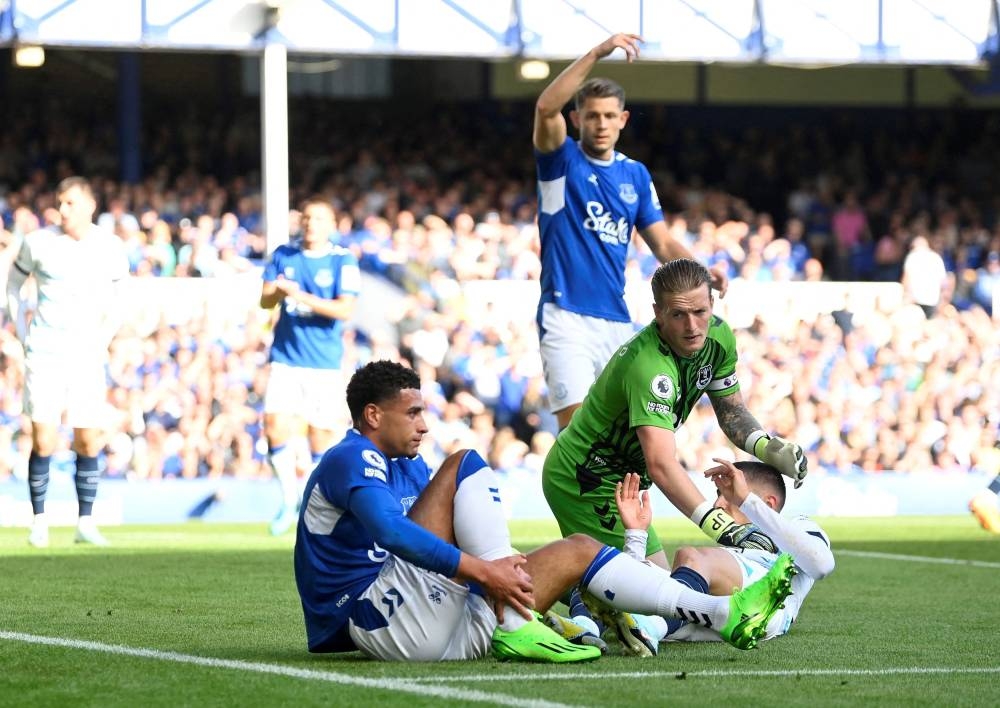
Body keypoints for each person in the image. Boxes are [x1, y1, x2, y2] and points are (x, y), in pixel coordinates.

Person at [292, 360, 796, 662]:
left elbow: (446, 549)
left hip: (433, 623)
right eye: (413, 412)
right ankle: (514, 619)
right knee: (464, 462)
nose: (424, 424)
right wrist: (486, 570)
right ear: (374, 415)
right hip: (374, 619)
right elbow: (393, 534)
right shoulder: (352, 456)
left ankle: (722, 614)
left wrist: (510, 577)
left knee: (581, 550)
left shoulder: (408, 466)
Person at [541, 258, 808, 652]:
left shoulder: (718, 339)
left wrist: (766, 446)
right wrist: (723, 528)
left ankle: (577, 601)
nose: (692, 326)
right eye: (678, 315)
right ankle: (567, 609)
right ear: (657, 314)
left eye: (700, 312)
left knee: (659, 590)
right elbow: (662, 466)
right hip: (585, 476)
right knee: (650, 596)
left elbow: (730, 411)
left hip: (624, 481)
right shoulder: (649, 367)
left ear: (712, 306)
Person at [532, 32, 728, 430]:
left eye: (609, 116)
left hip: (617, 318)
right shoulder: (561, 160)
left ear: (623, 119)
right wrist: (598, 52)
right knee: (577, 432)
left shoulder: (634, 174)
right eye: (591, 115)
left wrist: (699, 273)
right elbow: (545, 105)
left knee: (623, 435)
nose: (600, 124)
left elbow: (661, 242)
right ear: (576, 119)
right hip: (564, 313)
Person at [5, 176, 130, 547]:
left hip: (86, 356)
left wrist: (105, 337)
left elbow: (122, 294)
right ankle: (39, 520)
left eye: (71, 203)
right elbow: (13, 284)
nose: (62, 209)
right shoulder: (39, 242)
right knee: (43, 439)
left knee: (88, 440)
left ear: (91, 205)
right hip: (45, 352)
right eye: (60, 202)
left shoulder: (109, 246)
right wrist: (23, 334)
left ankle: (84, 523)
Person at [616, 463, 833, 644]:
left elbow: (821, 565)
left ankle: (653, 627)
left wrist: (746, 501)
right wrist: (636, 534)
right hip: (719, 618)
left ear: (767, 503)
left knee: (690, 556)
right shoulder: (723, 558)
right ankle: (607, 632)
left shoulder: (801, 526)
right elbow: (634, 588)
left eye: (729, 495)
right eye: (719, 494)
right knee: (612, 568)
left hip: (765, 602)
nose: (717, 504)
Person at [260, 197, 361, 535]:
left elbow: (345, 310)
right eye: (306, 217)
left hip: (324, 365)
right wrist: (277, 293)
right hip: (286, 358)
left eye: (318, 218)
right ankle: (288, 499)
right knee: (274, 424)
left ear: (331, 224)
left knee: (321, 438)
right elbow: (265, 300)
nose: (310, 224)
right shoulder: (283, 255)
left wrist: (298, 295)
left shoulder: (341, 260)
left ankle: (310, 503)